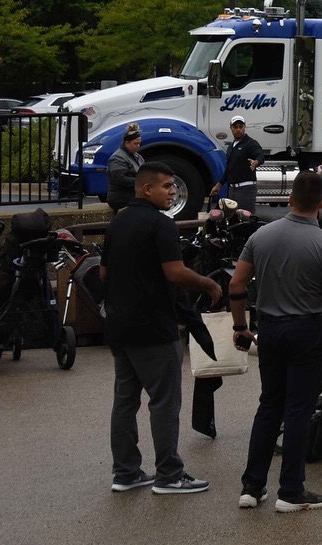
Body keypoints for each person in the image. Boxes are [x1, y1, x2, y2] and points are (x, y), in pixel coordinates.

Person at [100, 161, 223, 495]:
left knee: (125, 401)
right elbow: (176, 272)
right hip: (154, 326)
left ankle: (125, 473)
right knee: (164, 403)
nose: (173, 192)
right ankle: (169, 474)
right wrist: (208, 285)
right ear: (146, 189)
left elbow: (103, 274)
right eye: (167, 186)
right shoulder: (161, 225)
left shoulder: (119, 221)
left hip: (119, 325)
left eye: (173, 186)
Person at [229, 171, 322, 513]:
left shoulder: (261, 236)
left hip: (270, 329)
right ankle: (291, 491)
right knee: (298, 409)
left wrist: (240, 326)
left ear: (290, 200)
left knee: (269, 405)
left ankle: (251, 487)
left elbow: (237, 284)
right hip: (308, 331)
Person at [210, 115, 264, 217]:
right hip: (232, 190)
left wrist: (256, 162)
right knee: (231, 219)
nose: (238, 129)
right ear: (231, 128)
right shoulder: (231, 147)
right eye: (235, 127)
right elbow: (229, 169)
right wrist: (219, 185)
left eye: (241, 126)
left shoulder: (251, 143)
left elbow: (260, 155)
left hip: (246, 189)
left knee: (246, 219)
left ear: (245, 127)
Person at [106, 123, 144, 213]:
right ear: (126, 143)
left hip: (132, 195)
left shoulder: (138, 157)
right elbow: (120, 179)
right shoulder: (117, 158)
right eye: (135, 143)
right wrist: (141, 182)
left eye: (139, 143)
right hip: (120, 198)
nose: (138, 146)